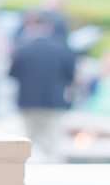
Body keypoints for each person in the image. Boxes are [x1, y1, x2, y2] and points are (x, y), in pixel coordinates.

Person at [8, 11, 79, 154]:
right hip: (53, 102)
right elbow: (70, 76)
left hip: (28, 102)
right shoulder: (61, 49)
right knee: (51, 144)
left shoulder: (23, 49)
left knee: (28, 142)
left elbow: (13, 74)